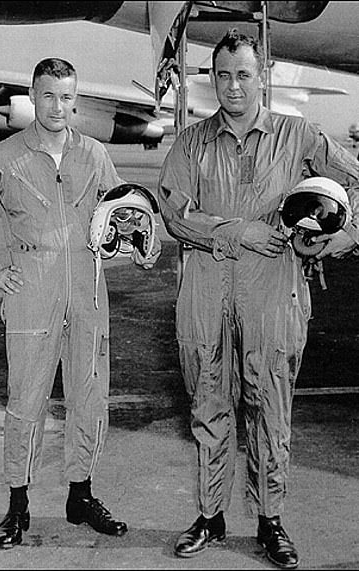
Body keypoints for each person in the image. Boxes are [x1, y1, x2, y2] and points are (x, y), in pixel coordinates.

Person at [157, 29, 359, 570]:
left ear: (262, 76)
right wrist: (237, 232)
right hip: (205, 292)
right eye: (223, 75)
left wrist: (346, 235)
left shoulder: (299, 136)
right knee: (207, 405)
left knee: (270, 408)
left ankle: (271, 521)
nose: (234, 87)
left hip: (274, 292)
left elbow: (356, 181)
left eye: (244, 75)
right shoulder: (192, 142)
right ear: (213, 79)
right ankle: (210, 516)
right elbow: (175, 214)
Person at [0, 57, 161, 549]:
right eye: (48, 95)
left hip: (88, 288)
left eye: (67, 97)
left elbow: (126, 209)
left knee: (90, 397)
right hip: (32, 285)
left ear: (77, 99)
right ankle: (17, 503)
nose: (58, 106)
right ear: (33, 96)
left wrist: (138, 240)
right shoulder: (6, 156)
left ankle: (82, 493)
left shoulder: (94, 154)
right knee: (25, 399)